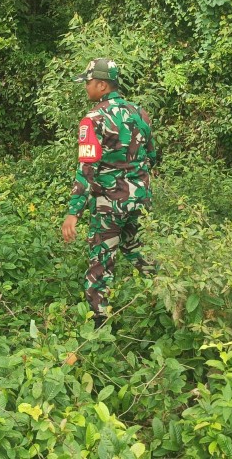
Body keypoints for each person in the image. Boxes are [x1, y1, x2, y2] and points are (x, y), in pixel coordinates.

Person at [61, 58, 157, 327]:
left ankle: (98, 325)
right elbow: (152, 156)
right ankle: (169, 295)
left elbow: (87, 169)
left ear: (102, 85)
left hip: (109, 205)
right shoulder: (140, 113)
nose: (86, 88)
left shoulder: (93, 120)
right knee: (138, 250)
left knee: (101, 263)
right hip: (140, 200)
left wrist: (73, 212)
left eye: (88, 83)